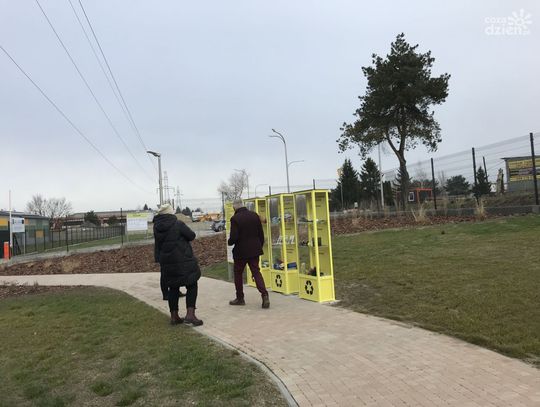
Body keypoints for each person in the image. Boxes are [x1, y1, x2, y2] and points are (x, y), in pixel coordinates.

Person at [153, 203, 203, 326]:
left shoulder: (156, 227)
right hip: (183, 260)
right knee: (192, 284)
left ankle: (174, 316)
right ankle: (190, 314)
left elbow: (158, 245)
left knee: (173, 287)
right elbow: (191, 236)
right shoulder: (178, 224)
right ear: (171, 212)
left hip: (167, 262)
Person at [227, 199, 270, 309]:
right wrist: (258, 246)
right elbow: (261, 234)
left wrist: (229, 242)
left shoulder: (235, 219)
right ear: (243, 205)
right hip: (255, 250)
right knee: (256, 272)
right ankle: (264, 295)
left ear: (234, 207)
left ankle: (240, 298)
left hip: (241, 252)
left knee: (238, 274)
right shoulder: (254, 215)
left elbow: (234, 237)